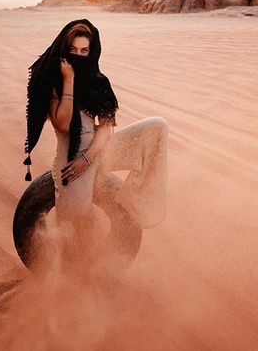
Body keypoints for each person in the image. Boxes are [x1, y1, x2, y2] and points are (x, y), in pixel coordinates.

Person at [23, 18, 170, 268]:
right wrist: (68, 81)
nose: (80, 57)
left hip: (98, 153)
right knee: (77, 234)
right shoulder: (53, 83)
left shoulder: (98, 82)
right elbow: (62, 124)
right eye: (74, 51)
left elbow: (106, 128)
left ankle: (133, 199)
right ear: (64, 53)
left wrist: (88, 158)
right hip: (70, 165)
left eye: (85, 51)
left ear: (92, 52)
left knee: (157, 126)